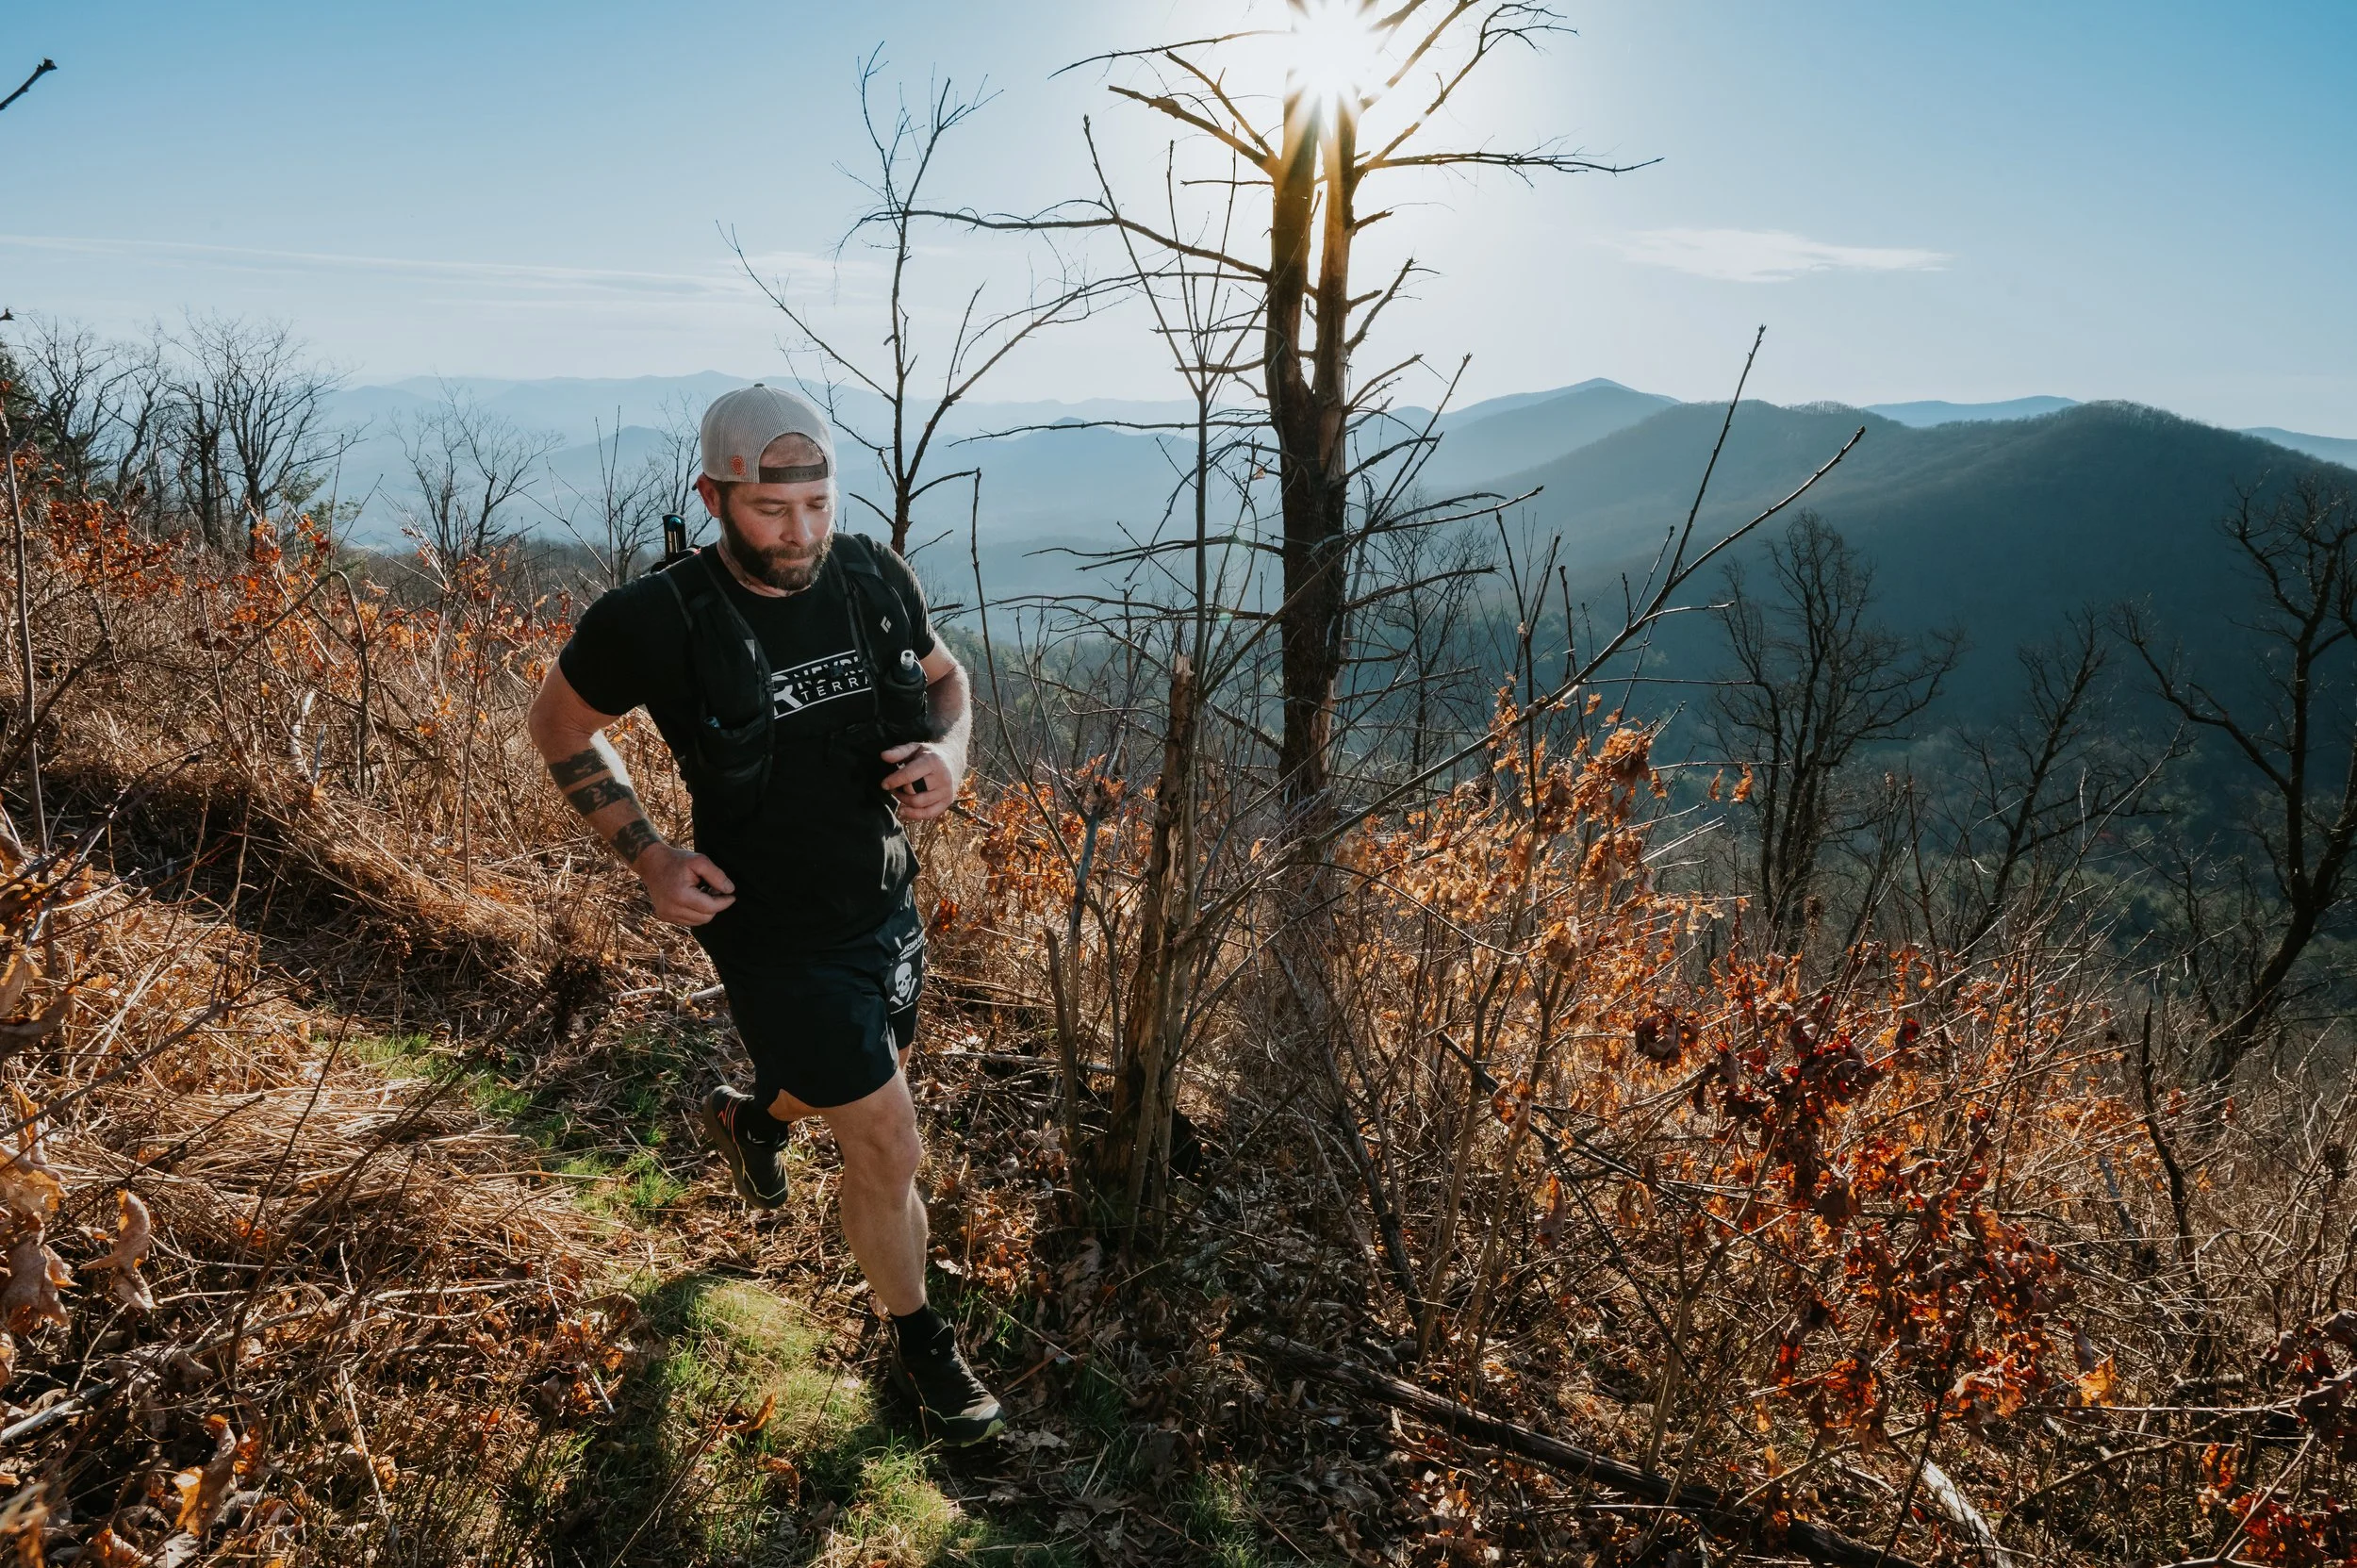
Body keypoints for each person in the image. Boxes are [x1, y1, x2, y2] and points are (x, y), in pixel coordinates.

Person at [525, 384, 1002, 1444]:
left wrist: (950, 756)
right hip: (769, 927)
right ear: (713, 495)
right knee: (888, 1142)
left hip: (884, 905)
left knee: (844, 1073)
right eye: (774, 512)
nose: (803, 534)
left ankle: (751, 1119)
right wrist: (647, 853)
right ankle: (923, 1348)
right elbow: (558, 724)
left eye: (819, 506)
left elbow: (948, 679)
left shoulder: (874, 575)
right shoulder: (657, 618)